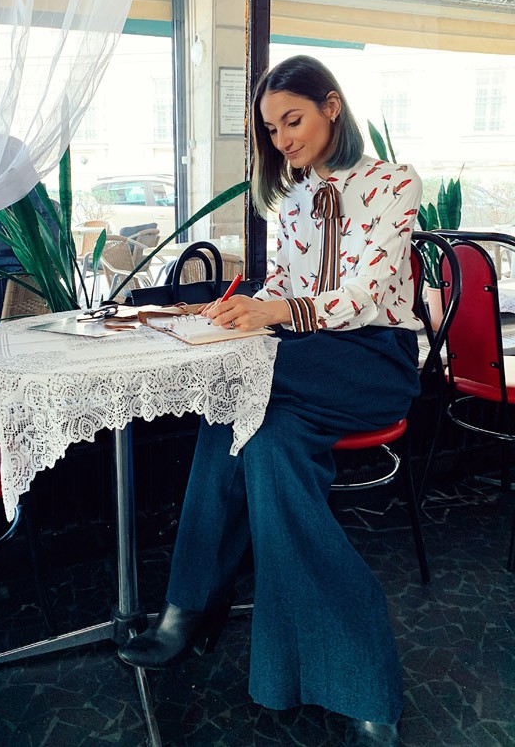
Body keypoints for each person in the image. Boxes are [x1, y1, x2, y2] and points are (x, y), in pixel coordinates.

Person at [118, 55, 423, 746]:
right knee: (264, 438)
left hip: (372, 361)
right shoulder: (288, 201)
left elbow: (370, 294)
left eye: (293, 119)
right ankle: (357, 679)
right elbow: (279, 282)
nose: (282, 138)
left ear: (331, 106)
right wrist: (243, 307)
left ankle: (188, 606)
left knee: (229, 391)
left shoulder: (393, 183)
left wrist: (276, 309)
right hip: (300, 368)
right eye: (271, 128)